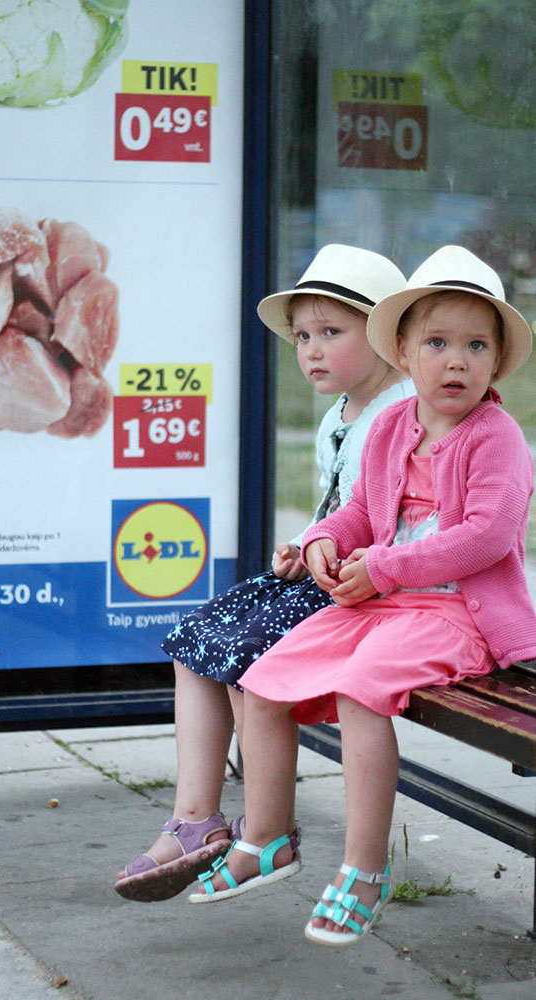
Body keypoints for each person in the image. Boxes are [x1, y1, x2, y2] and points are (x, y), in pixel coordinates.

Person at [188, 245, 536, 948]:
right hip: (382, 605)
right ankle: (265, 839)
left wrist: (382, 568)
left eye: (476, 346)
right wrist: (323, 539)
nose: (456, 362)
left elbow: (487, 536)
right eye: (437, 344)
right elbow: (359, 512)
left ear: (498, 360)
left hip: (457, 615)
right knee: (263, 678)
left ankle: (364, 872)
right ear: (402, 352)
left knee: (359, 690)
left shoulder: (495, 437)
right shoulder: (392, 427)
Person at [114, 244, 412, 902]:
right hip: (325, 575)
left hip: (369, 589)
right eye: (302, 336)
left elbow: (400, 520)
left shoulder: (403, 415)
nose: (311, 350)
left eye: (331, 332)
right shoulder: (340, 414)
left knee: (248, 651)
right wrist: (302, 545)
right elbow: (337, 510)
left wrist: (340, 556)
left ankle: (266, 827)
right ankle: (195, 818)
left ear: (388, 337)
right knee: (197, 637)